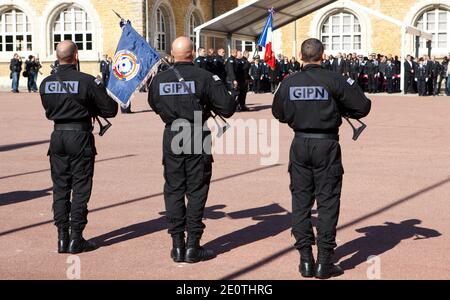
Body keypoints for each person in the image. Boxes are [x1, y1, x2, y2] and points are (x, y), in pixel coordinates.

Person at [272, 38, 371, 279]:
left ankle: (306, 260)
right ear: (323, 55)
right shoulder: (335, 79)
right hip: (326, 144)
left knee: (301, 202)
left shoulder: (289, 82)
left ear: (300, 56)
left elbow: (278, 113)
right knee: (327, 202)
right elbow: (363, 107)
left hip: (299, 144)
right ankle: (324, 261)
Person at [148, 37, 236, 264]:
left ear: (173, 53)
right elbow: (227, 108)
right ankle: (192, 245)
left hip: (172, 133)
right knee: (196, 189)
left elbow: (154, 104)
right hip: (197, 131)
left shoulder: (159, 79)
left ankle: (177, 245)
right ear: (192, 54)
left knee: (174, 189)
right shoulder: (205, 77)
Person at [39, 41, 118, 254]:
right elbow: (110, 110)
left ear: (58, 57)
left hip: (57, 137)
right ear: (76, 56)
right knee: (81, 187)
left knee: (60, 187)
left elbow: (48, 110)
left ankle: (62, 237)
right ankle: (76, 237)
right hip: (80, 136)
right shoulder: (88, 81)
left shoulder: (46, 82)